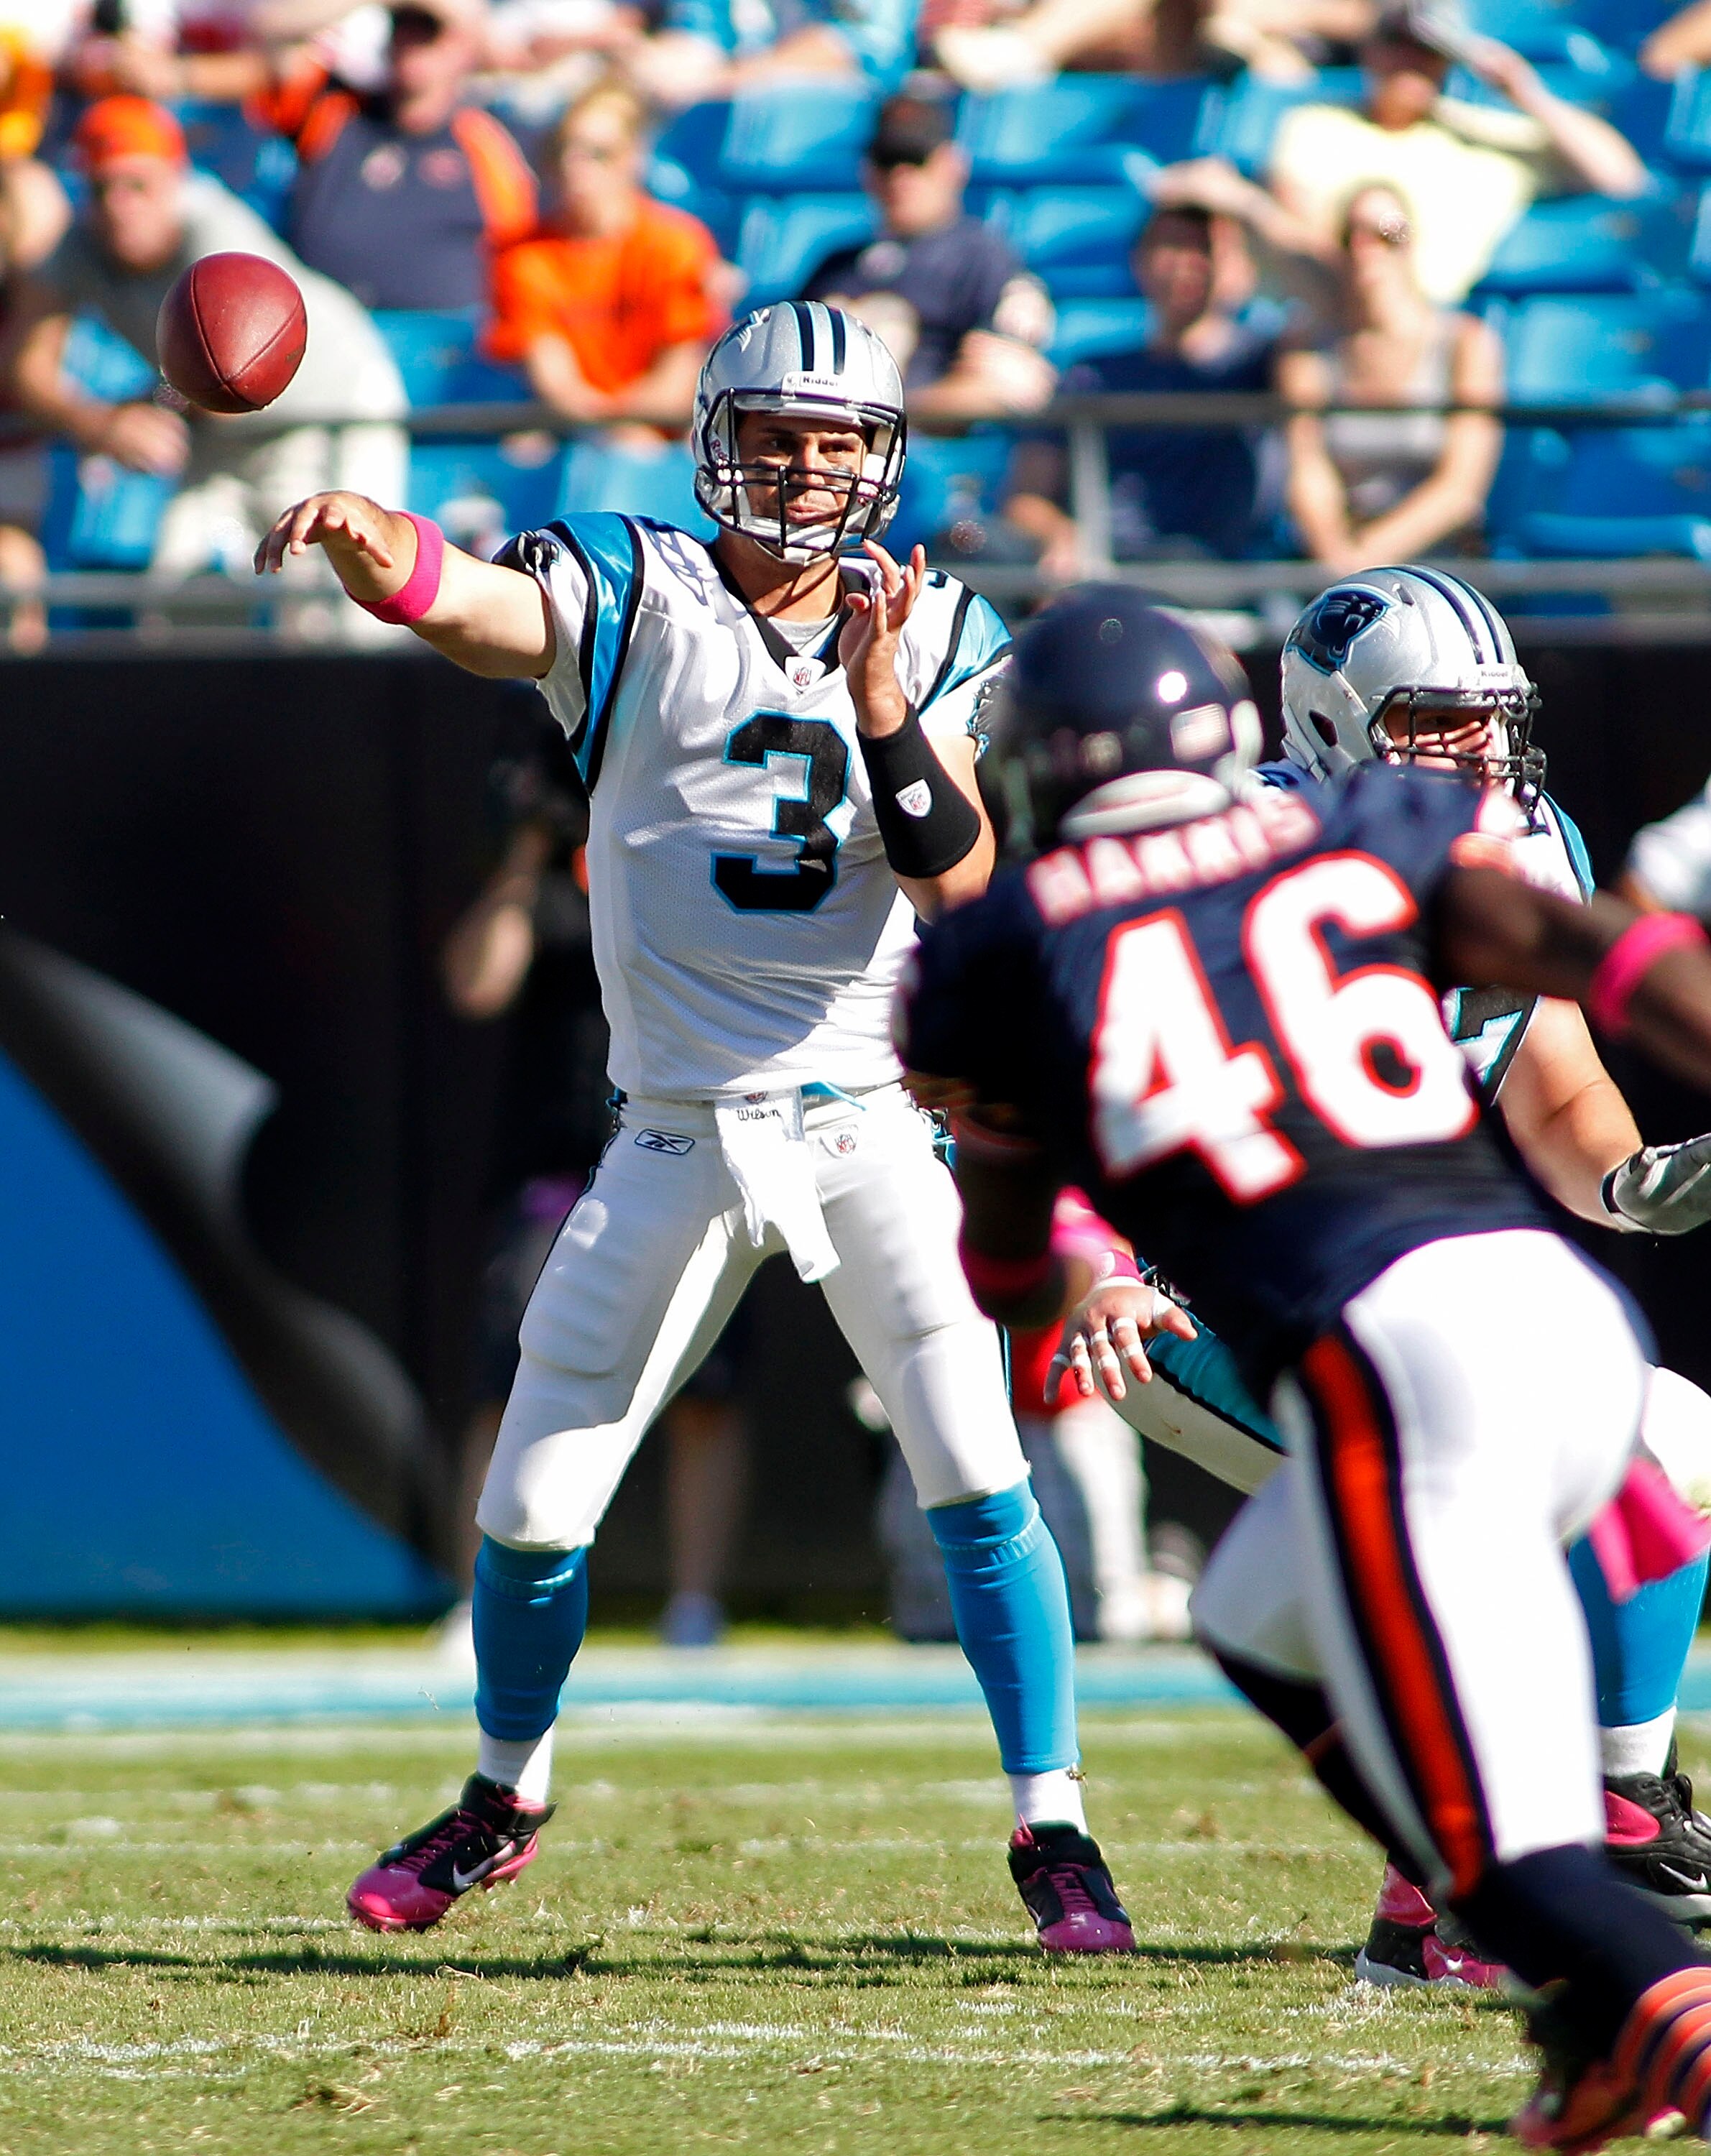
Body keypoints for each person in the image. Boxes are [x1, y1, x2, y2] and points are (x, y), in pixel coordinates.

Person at [257, 298, 1137, 1955]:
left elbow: (959, 882)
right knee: (529, 1502)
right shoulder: (641, 582)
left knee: (973, 1465)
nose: (804, 472)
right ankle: (501, 1795)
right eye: (778, 436)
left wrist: (881, 699)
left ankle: (1057, 1825)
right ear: (718, 441)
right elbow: (486, 610)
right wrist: (387, 556)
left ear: (883, 461)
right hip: (670, 1122)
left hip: (872, 1113)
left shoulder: (940, 626)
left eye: (836, 441)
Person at [898, 581, 1711, 2150]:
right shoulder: (1366, 840)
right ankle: (1561, 1923)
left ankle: (1604, 1957)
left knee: (1513, 1857)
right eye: (1428, 721)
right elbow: (1615, 961)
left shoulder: (998, 947)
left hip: (1381, 1357)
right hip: (1525, 1314)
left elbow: (996, 1231)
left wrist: (1037, 1283)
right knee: (1249, 1611)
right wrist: (1101, 1277)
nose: (1465, 748)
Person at [441, 727, 754, 1651]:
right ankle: (477, 1600)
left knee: (708, 1384)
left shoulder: (675, 845)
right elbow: (476, 982)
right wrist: (527, 852)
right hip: (562, 1163)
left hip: (688, 1141)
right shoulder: (539, 875)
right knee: (512, 1373)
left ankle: (695, 1602)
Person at [3, 96, 407, 589]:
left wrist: (153, 403)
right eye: (102, 187)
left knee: (338, 601)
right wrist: (100, 424)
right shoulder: (80, 243)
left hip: (329, 411)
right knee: (177, 596)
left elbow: (231, 382)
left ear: (176, 179)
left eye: (138, 185)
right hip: (223, 437)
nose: (119, 206)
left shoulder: (214, 237)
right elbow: (26, 365)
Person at [1267, 2, 1647, 307]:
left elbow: (1623, 178)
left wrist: (1528, 94)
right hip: (1335, 311)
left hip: (1438, 325)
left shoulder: (1485, 134)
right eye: (1395, 44)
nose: (1408, 63)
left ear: (1446, 61)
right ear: (1370, 50)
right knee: (1382, 218)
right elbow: (1302, 232)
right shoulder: (1317, 127)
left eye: (1424, 50)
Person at [1002, 202, 1280, 579]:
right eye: (1170, 246)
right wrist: (1059, 533)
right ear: (1139, 261)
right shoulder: (1092, 376)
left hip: (1221, 579)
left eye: (1204, 248)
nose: (1186, 264)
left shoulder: (1266, 366)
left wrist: (1242, 204)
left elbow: (1341, 300)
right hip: (1107, 578)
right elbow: (1026, 497)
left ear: (1238, 265)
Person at [254, 0, 538, 313]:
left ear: (464, 51)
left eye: (428, 36)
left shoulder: (486, 141)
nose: (410, 46)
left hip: (439, 337)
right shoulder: (336, 111)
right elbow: (271, 30)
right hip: (323, 320)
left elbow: (519, 244)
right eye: (402, 30)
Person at [1278, 183, 1502, 573]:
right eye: (1352, 236)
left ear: (1411, 242)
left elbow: (1459, 490)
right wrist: (1337, 558)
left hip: (1438, 567)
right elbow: (1307, 472)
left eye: (1387, 233)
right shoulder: (1308, 353)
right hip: (1336, 565)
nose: (1368, 249)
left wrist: (1363, 559)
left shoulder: (1466, 344)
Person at [484, 78, 724, 438]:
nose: (574, 167)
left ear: (633, 158)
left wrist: (622, 428)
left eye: (598, 153)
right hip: (570, 430)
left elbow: (677, 381)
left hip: (663, 434)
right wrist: (613, 429)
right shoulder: (526, 256)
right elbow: (556, 383)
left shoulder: (676, 243)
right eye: (564, 150)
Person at [805, 93, 1056, 423]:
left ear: (952, 165)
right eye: (887, 160)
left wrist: (885, 416)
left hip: (927, 454)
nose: (900, 177)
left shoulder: (983, 259)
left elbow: (1005, 388)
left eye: (916, 159)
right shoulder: (836, 264)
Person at [933, 0, 1373, 95]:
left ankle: (1025, 48)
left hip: (1290, 72)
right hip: (1190, 53)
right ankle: (1024, 48)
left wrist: (1262, 14)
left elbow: (1371, 18)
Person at [634, 0, 918, 109]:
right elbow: (700, 31)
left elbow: (872, 46)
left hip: (840, 125)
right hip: (734, 103)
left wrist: (735, 77)